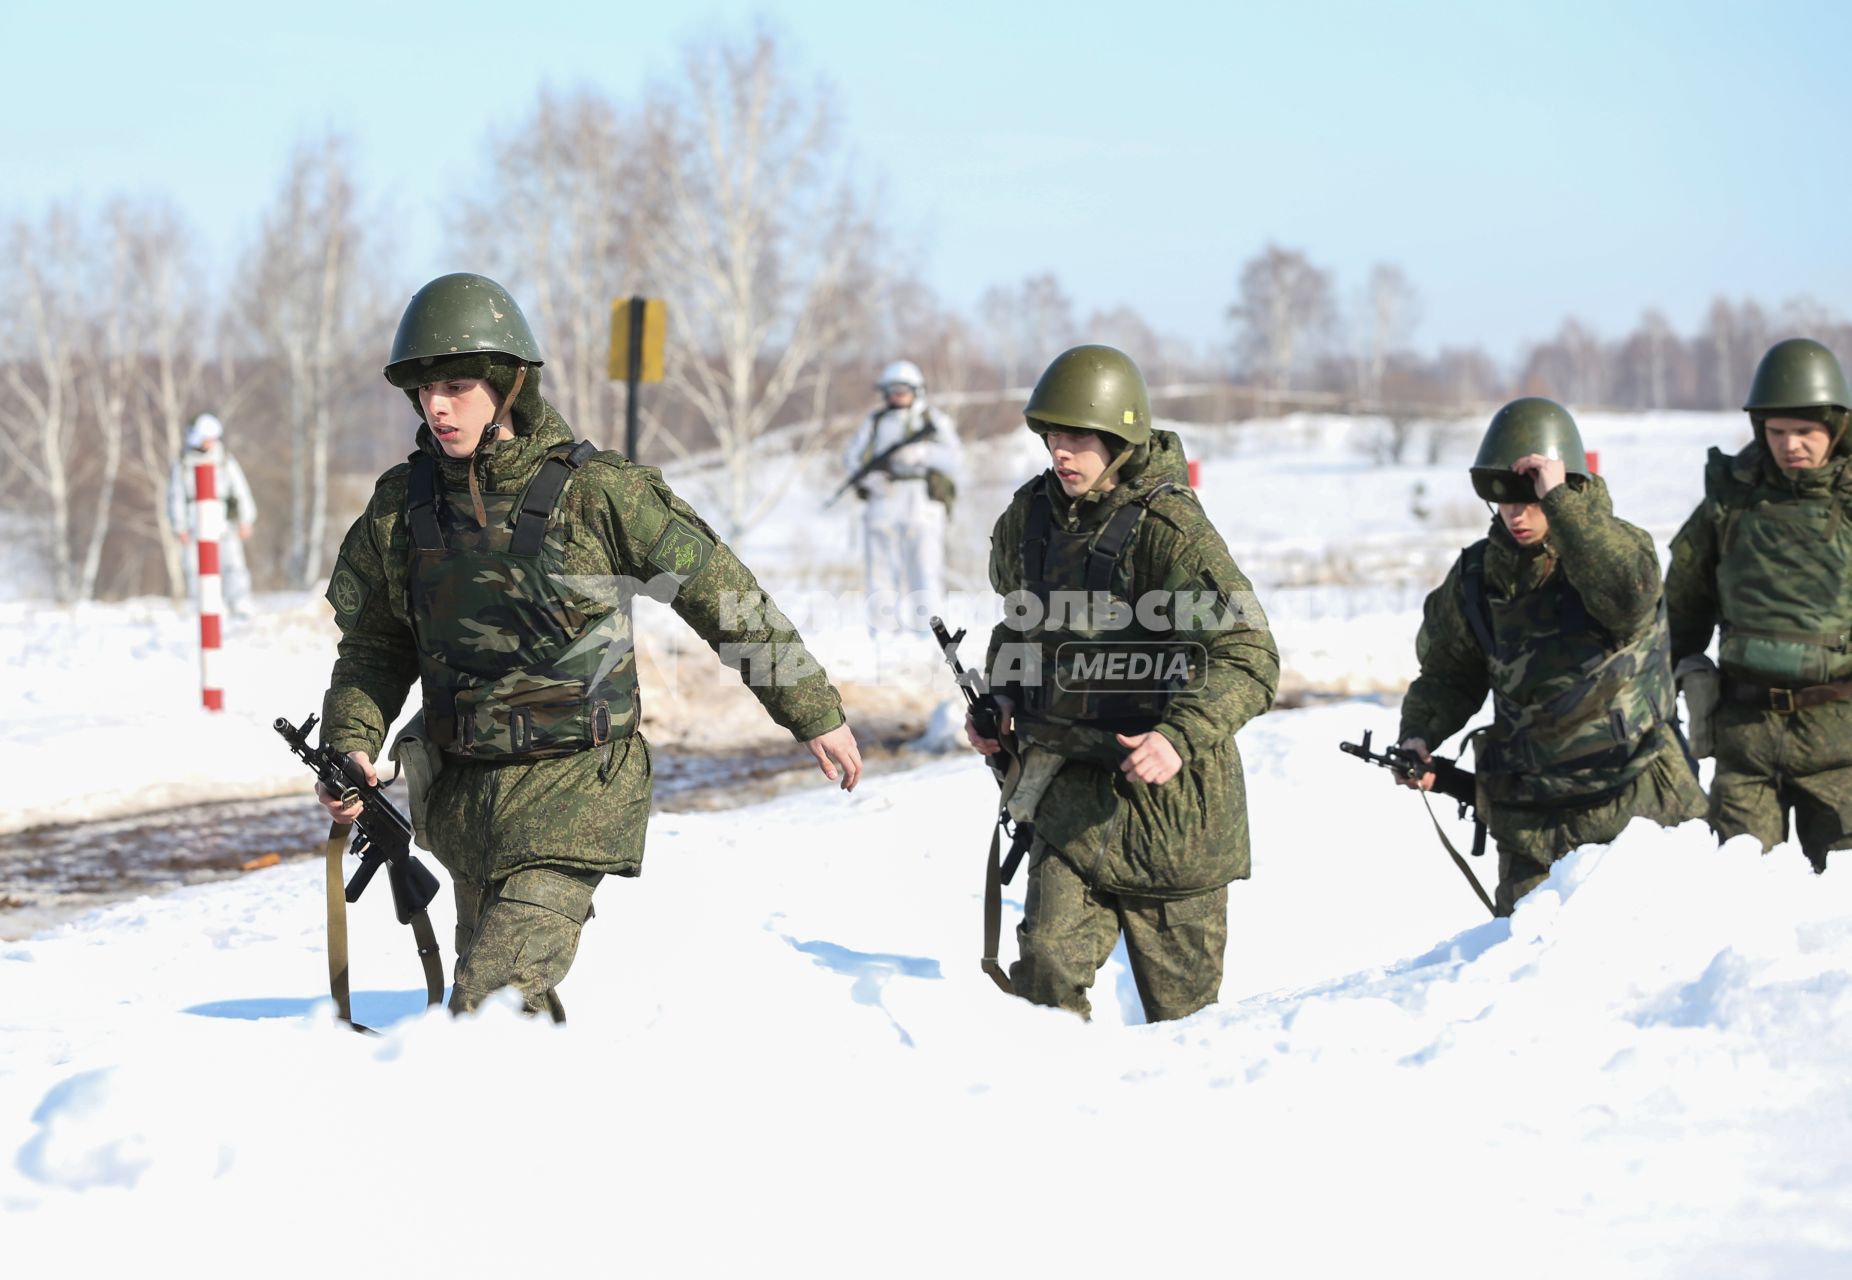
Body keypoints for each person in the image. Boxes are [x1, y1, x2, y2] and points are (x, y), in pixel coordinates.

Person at [313, 272, 863, 1017]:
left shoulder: (600, 494)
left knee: (490, 1003)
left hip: (576, 788)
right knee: (501, 1015)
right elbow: (375, 647)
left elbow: (724, 597)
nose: (436, 405)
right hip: (463, 793)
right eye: (423, 389)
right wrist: (350, 743)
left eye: (458, 385)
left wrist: (812, 710)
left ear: (509, 384)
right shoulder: (403, 507)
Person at [964, 344, 1278, 1023]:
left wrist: (1177, 736)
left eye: (1077, 437)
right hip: (1072, 803)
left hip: (1175, 823)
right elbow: (1021, 628)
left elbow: (1249, 655)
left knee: (1185, 1026)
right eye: (1051, 436)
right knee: (1044, 978)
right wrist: (1002, 700)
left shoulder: (1170, 533)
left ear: (1118, 437)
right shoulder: (1033, 521)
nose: (1060, 452)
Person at [1397, 397, 1705, 914]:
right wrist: (1420, 734)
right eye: (1506, 499)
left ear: (1569, 486)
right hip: (1532, 823)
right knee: (1523, 976)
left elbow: (1628, 597)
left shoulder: (1619, 549)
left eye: (1532, 497)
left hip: (1639, 807)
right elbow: (1450, 673)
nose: (1518, 514)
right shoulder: (1477, 576)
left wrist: (1561, 503)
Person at [1666, 338, 1852, 873]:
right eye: (1776, 431)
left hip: (1839, 745)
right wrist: (1672, 673)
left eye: (1804, 431)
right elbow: (1682, 606)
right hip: (1744, 739)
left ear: (1834, 429)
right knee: (1736, 904)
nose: (1790, 444)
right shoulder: (1730, 503)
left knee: (1840, 912)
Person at [839, 359, 963, 634]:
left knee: (926, 570)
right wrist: (871, 481)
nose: (898, 396)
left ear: (916, 390)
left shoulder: (933, 420)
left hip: (923, 502)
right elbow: (851, 459)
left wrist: (924, 453)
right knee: (881, 572)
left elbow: (955, 459)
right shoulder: (875, 423)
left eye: (903, 390)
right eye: (892, 390)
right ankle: (882, 632)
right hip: (884, 500)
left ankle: (929, 633)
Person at [168, 412, 258, 617]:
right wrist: (179, 526)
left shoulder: (225, 460)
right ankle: (204, 607)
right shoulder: (182, 464)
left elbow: (240, 490)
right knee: (195, 569)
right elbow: (175, 497)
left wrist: (246, 519)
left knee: (233, 565)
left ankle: (239, 603)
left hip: (224, 524)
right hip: (194, 524)